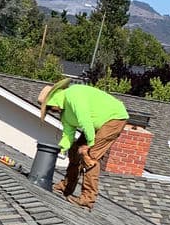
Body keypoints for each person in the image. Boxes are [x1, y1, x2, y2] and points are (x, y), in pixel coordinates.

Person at [38, 77, 129, 210]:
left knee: (89, 156)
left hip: (114, 118)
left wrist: (90, 145)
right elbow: (68, 133)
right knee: (74, 150)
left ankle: (87, 200)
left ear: (54, 99)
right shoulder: (65, 113)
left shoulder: (73, 96)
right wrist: (63, 147)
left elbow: (85, 120)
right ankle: (66, 187)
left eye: (50, 108)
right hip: (96, 125)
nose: (52, 111)